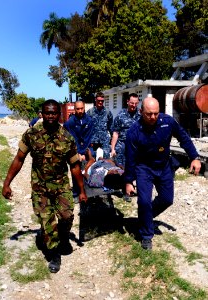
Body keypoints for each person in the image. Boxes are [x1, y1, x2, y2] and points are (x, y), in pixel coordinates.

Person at [2, 99, 87, 273]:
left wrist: (82, 190)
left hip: (61, 187)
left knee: (67, 216)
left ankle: (60, 238)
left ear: (59, 114)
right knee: (48, 222)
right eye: (47, 112)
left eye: (54, 113)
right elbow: (19, 159)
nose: (50, 116)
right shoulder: (31, 134)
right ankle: (54, 253)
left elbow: (75, 166)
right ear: (42, 114)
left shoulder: (67, 137)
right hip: (40, 188)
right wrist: (7, 183)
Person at [124, 97, 201, 250]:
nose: (153, 117)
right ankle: (146, 235)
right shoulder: (134, 131)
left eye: (156, 113)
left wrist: (194, 157)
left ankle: (144, 217)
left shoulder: (168, 122)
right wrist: (128, 181)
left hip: (164, 165)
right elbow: (130, 158)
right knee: (144, 201)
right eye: (149, 114)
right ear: (141, 112)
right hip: (144, 168)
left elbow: (183, 138)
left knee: (167, 199)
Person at [63, 100, 94, 203]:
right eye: (78, 109)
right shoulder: (69, 123)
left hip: (86, 148)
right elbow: (72, 139)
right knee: (75, 168)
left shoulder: (89, 120)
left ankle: (88, 191)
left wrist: (85, 152)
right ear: (74, 109)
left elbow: (88, 138)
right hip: (75, 150)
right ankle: (76, 193)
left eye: (82, 108)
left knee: (89, 168)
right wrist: (78, 153)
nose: (80, 111)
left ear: (84, 108)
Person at [111, 93, 140, 168]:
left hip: (136, 147)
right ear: (127, 102)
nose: (134, 105)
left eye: (136, 103)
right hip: (122, 147)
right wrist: (113, 148)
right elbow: (115, 133)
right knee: (120, 169)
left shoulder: (141, 116)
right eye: (132, 103)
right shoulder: (120, 116)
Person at [86, 92, 113, 159]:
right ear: (95, 100)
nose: (100, 102)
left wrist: (113, 139)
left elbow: (111, 127)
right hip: (93, 140)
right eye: (99, 101)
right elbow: (86, 127)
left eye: (102, 101)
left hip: (105, 140)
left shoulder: (107, 112)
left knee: (106, 158)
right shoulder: (90, 112)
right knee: (92, 158)